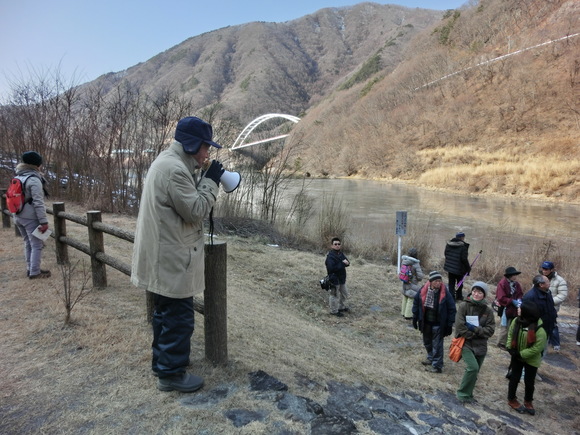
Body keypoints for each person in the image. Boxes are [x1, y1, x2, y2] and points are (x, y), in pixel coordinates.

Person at [131, 116, 224, 393]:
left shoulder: (170, 162)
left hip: (165, 254)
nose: (208, 152)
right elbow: (195, 211)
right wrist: (211, 182)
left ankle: (164, 364)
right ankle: (170, 374)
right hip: (172, 259)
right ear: (193, 144)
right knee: (178, 319)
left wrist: (202, 175)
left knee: (165, 315)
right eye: (206, 146)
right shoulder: (174, 170)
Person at [455, 281, 495, 403]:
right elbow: (460, 326)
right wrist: (473, 334)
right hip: (466, 343)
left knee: (476, 371)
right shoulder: (464, 306)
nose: (476, 294)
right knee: (472, 368)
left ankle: (469, 394)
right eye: (474, 291)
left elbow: (490, 330)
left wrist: (475, 329)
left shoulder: (488, 311)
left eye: (479, 292)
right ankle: (462, 394)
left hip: (481, 346)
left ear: (484, 294)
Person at [13, 151, 51, 279]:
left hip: (18, 215)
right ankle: (35, 272)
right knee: (37, 245)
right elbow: (38, 203)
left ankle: (30, 268)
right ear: (36, 164)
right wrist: (43, 222)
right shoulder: (33, 179)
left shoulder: (19, 176)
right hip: (30, 217)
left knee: (28, 243)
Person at [506, 300, 547, 416]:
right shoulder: (516, 321)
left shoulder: (540, 329)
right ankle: (511, 399)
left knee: (529, 382)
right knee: (514, 378)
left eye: (520, 308)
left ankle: (528, 401)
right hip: (516, 355)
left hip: (531, 359)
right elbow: (510, 334)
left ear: (527, 312)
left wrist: (521, 354)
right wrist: (510, 347)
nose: (518, 310)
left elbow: (537, 348)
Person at [412, 271, 457, 373]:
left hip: (438, 324)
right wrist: (415, 317)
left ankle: (437, 366)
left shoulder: (445, 293)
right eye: (436, 281)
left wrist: (450, 324)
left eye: (440, 281)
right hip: (426, 322)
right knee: (427, 342)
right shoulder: (423, 290)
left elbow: (452, 309)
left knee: (437, 345)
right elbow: (416, 303)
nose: (438, 283)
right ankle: (430, 357)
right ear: (431, 282)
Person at [539, 261, 568, 352]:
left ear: (552, 270)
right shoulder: (539, 278)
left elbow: (563, 295)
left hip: (552, 307)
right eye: (543, 268)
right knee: (540, 323)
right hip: (540, 306)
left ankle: (556, 344)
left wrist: (551, 301)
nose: (544, 271)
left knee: (553, 324)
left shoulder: (560, 280)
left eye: (546, 269)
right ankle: (542, 341)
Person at [495, 266, 524, 350]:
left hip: (514, 309)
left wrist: (519, 300)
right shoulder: (502, 283)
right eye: (514, 275)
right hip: (505, 308)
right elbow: (501, 298)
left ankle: (509, 343)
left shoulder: (516, 284)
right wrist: (511, 301)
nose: (515, 276)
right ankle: (501, 343)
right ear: (510, 275)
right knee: (504, 327)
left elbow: (520, 294)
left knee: (512, 326)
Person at [325, 237, 350, 317]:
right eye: (335, 244)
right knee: (334, 295)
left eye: (339, 244)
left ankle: (341, 307)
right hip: (334, 279)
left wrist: (347, 263)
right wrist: (342, 264)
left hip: (342, 279)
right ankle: (334, 311)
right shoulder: (330, 256)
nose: (337, 245)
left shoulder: (341, 254)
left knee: (344, 294)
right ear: (332, 246)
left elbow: (347, 262)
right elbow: (331, 268)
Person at [443, 232, 471, 301]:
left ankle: (451, 298)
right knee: (460, 283)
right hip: (459, 269)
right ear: (462, 238)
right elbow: (464, 259)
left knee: (451, 283)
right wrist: (468, 268)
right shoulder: (463, 246)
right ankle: (459, 296)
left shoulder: (449, 244)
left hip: (450, 268)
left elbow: (446, 254)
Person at [400, 248, 424, 320]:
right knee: (411, 298)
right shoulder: (415, 263)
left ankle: (403, 312)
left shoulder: (404, 261)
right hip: (412, 283)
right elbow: (420, 276)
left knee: (405, 297)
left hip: (405, 282)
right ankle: (408, 315)